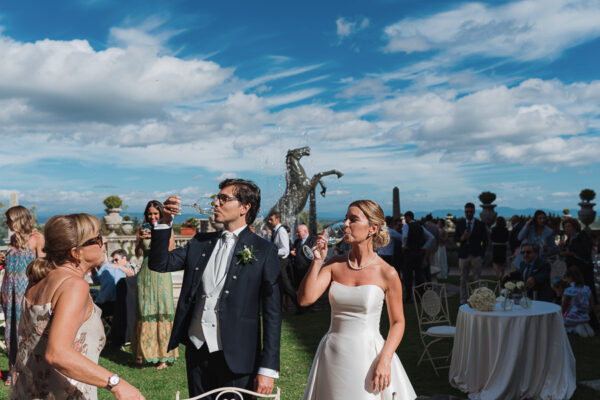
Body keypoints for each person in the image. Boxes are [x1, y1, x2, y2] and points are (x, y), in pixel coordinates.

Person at [149, 179, 281, 398]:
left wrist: (267, 368)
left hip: (239, 357)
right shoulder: (200, 242)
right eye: (217, 198)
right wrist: (165, 222)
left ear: (244, 207)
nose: (216, 203)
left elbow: (272, 314)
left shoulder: (263, 251)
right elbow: (160, 263)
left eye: (224, 199)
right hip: (197, 350)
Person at [9, 213, 143, 400]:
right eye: (97, 238)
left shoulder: (40, 280)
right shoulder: (74, 286)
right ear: (75, 253)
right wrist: (116, 384)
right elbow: (57, 353)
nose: (103, 241)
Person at [298, 200, 416, 399]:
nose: (345, 224)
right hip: (332, 353)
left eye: (353, 219)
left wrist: (385, 359)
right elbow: (305, 299)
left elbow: (398, 322)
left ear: (372, 228)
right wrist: (318, 261)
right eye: (346, 219)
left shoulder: (387, 273)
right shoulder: (334, 264)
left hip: (368, 356)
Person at [130, 200, 179, 370]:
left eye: (155, 213)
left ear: (161, 213)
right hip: (145, 274)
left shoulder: (166, 228)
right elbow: (138, 253)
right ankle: (142, 352)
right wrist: (140, 241)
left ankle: (163, 357)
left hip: (161, 273)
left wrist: (157, 238)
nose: (152, 217)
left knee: (161, 310)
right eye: (150, 214)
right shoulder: (142, 228)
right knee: (144, 310)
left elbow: (170, 250)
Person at [1, 205, 44, 385]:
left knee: (25, 332)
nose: (7, 223)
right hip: (8, 290)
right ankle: (13, 371)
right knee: (10, 332)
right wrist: (4, 259)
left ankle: (28, 370)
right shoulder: (13, 238)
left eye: (9, 220)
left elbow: (43, 266)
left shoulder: (37, 238)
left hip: (25, 291)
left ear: (18, 220)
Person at [455, 202, 488, 304]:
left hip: (476, 255)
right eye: (467, 211)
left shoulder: (480, 224)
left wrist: (481, 254)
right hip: (463, 255)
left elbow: (485, 240)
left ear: (474, 212)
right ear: (464, 212)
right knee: (463, 279)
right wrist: (462, 238)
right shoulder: (460, 224)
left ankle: (478, 299)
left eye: (470, 211)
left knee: (477, 279)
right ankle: (463, 300)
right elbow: (455, 239)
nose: (468, 213)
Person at [559, 218, 596, 304]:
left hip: (583, 268)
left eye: (569, 226)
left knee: (585, 289)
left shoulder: (582, 236)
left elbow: (585, 251)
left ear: (575, 227)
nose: (567, 229)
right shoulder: (569, 239)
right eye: (565, 227)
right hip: (573, 268)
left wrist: (572, 253)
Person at [401, 211, 435, 302]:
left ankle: (408, 296)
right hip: (419, 253)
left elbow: (404, 237)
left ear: (408, 217)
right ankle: (419, 296)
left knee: (408, 276)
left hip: (409, 253)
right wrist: (424, 247)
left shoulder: (406, 226)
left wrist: (403, 246)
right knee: (419, 276)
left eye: (405, 218)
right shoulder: (420, 226)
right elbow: (431, 237)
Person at [267, 211, 296, 310]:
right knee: (281, 285)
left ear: (278, 219)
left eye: (271, 219)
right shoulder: (276, 231)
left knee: (286, 285)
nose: (269, 221)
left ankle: (299, 305)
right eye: (269, 219)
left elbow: (285, 250)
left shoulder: (281, 231)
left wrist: (272, 253)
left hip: (282, 262)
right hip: (278, 261)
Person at [290, 224, 316, 313]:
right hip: (298, 269)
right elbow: (297, 252)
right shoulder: (297, 242)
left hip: (308, 268)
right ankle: (302, 307)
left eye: (298, 232)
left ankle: (311, 307)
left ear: (305, 231)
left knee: (309, 288)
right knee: (300, 289)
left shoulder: (312, 240)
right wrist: (293, 253)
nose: (297, 234)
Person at [562, 267, 594, 337]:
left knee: (561, 322)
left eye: (566, 278)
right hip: (585, 317)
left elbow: (563, 306)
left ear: (570, 277)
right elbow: (591, 306)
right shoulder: (587, 289)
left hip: (572, 318)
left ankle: (574, 330)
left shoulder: (568, 290)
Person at [490, 216, 509, 281]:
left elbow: (491, 238)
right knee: (502, 262)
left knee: (495, 262)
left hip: (496, 247)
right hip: (503, 247)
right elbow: (507, 238)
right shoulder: (505, 229)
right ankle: (502, 275)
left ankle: (498, 275)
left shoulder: (494, 229)